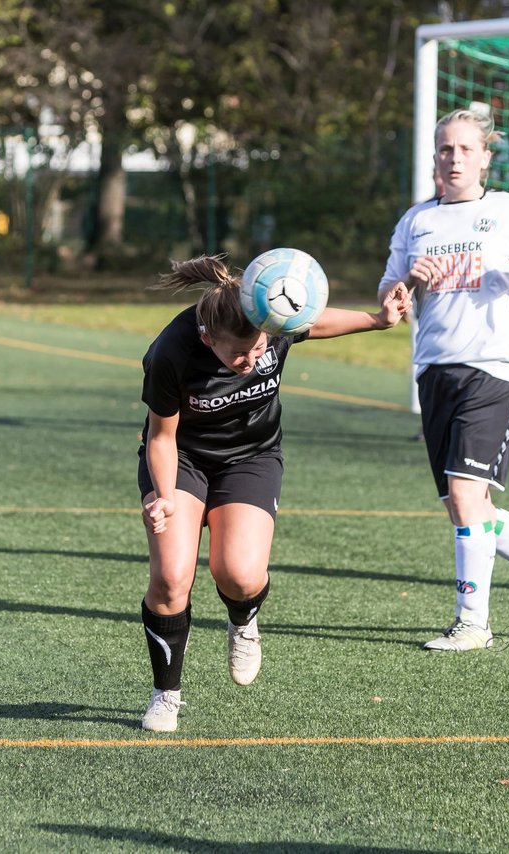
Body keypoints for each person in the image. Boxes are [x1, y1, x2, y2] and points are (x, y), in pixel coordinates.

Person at [138, 255, 411, 731]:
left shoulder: (272, 317)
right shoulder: (172, 352)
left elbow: (316, 322)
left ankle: (242, 621)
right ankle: (167, 694)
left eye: (259, 351)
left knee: (239, 575)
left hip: (251, 456)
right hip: (181, 459)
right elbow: (161, 437)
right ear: (208, 339)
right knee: (170, 577)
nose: (249, 363)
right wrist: (163, 495)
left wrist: (377, 321)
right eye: (237, 357)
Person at [378, 108, 509, 652]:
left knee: (468, 497)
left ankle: (473, 624)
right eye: (445, 149)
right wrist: (404, 284)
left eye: (465, 149)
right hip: (435, 371)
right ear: (434, 157)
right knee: (463, 505)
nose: (454, 158)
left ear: (485, 158)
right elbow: (389, 299)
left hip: (493, 368)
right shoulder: (417, 221)